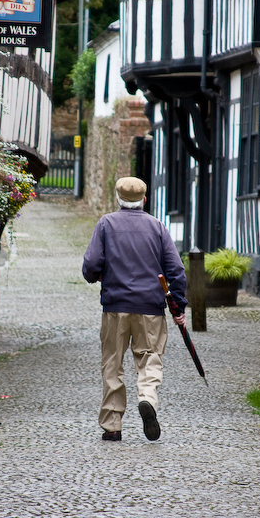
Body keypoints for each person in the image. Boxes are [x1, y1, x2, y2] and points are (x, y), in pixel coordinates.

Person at [82, 176, 187, 442]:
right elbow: (176, 270)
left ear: (117, 199)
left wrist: (96, 276)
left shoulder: (106, 224)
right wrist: (178, 306)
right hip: (150, 307)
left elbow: (92, 264)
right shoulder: (157, 227)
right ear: (144, 199)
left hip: (115, 306)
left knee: (112, 364)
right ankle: (148, 399)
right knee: (150, 358)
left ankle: (113, 425)